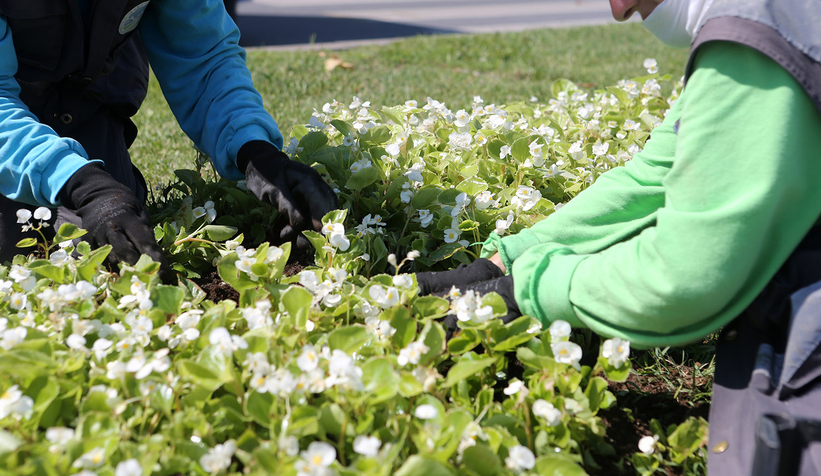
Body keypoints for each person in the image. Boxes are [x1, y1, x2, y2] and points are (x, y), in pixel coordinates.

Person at [417, 0, 821, 473]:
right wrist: (506, 261)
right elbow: (654, 177)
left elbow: (682, 278)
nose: (619, 10)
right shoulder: (766, 14)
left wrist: (527, 290)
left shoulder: (751, 38)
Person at [0, 0, 337, 281]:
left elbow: (203, 56)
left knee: (121, 246)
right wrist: (79, 183)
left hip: (85, 113)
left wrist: (255, 150)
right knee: (47, 252)